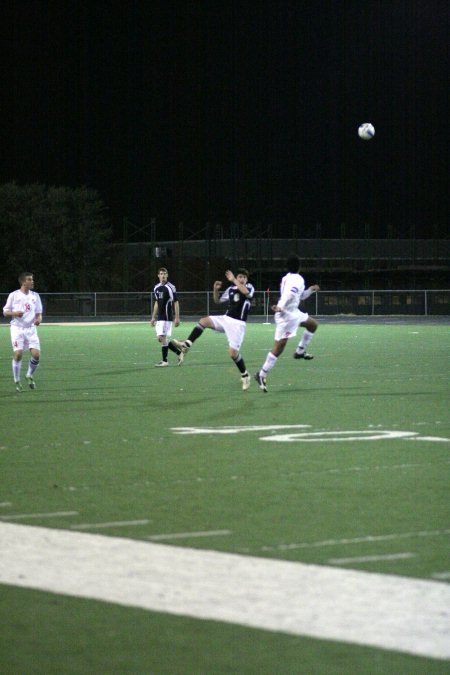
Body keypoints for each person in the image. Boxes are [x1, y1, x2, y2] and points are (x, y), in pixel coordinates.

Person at [172, 269, 254, 391]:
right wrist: (215, 290)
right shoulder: (231, 289)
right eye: (239, 276)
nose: (241, 279)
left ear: (246, 279)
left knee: (233, 353)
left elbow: (246, 293)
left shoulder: (249, 287)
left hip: (238, 324)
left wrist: (234, 280)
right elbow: (217, 300)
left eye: (243, 277)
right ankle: (186, 344)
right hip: (226, 319)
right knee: (203, 321)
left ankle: (245, 375)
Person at [255, 256, 319, 392]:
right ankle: (261, 374)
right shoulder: (298, 279)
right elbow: (289, 294)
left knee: (312, 324)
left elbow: (299, 296)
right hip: (286, 315)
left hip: (293, 312)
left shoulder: (286, 278)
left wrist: (311, 290)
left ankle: (300, 351)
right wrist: (280, 307)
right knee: (279, 346)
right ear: (299, 266)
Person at [3, 272, 43, 392]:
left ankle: (29, 375)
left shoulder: (35, 296)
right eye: (30, 280)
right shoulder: (14, 295)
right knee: (18, 354)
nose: (32, 281)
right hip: (17, 329)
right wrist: (15, 313)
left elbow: (39, 313)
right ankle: (17, 380)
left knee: (36, 355)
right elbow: (5, 312)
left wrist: (39, 319)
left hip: (31, 329)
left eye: (32, 279)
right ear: (23, 282)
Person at [150, 267, 183, 366]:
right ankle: (180, 352)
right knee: (161, 339)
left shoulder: (170, 287)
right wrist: (153, 317)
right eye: (161, 273)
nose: (163, 275)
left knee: (162, 338)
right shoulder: (156, 288)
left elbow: (175, 302)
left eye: (165, 273)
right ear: (158, 275)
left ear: (167, 275)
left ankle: (165, 361)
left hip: (167, 316)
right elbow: (157, 302)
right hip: (160, 317)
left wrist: (177, 317)